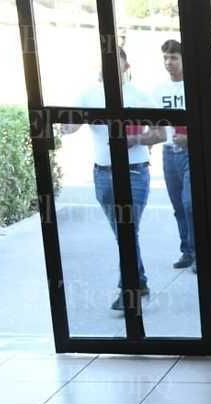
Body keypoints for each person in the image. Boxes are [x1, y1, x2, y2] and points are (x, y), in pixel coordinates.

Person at [61, 47, 162, 313]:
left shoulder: (139, 96)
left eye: (115, 63)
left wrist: (136, 139)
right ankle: (138, 281)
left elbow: (161, 133)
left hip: (135, 172)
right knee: (122, 232)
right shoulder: (89, 94)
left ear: (126, 66)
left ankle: (129, 292)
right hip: (103, 174)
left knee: (128, 231)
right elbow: (72, 124)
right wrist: (64, 126)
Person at [153, 39, 194, 271]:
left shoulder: (195, 88)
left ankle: (199, 251)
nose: (169, 62)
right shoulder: (159, 91)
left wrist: (190, 139)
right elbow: (156, 126)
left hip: (190, 153)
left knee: (190, 204)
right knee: (178, 206)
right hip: (168, 153)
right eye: (166, 58)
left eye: (174, 57)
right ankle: (186, 250)